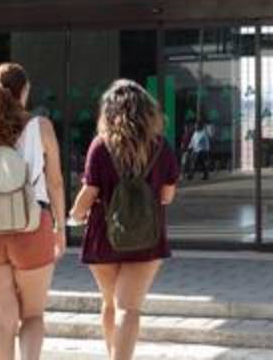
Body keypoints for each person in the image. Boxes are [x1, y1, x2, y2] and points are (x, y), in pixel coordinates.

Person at [69, 79, 180, 360]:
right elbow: (167, 196)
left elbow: (90, 190)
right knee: (128, 308)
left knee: (110, 303)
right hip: (146, 235)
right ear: (147, 111)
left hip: (104, 234)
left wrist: (75, 215)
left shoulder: (100, 145)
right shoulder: (161, 146)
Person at [0, 63, 66, 360]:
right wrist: (61, 227)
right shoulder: (41, 127)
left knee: (2, 320)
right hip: (32, 227)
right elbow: (55, 182)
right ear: (24, 91)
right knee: (33, 316)